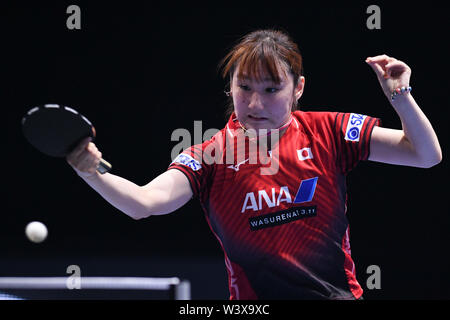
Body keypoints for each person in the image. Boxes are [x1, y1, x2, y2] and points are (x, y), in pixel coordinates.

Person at [66, 29, 442, 300]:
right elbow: (144, 203)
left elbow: (424, 156)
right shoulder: (210, 156)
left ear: (298, 88)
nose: (255, 103)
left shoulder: (330, 131)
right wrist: (91, 170)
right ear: (230, 87)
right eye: (244, 87)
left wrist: (401, 99)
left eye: (271, 89)